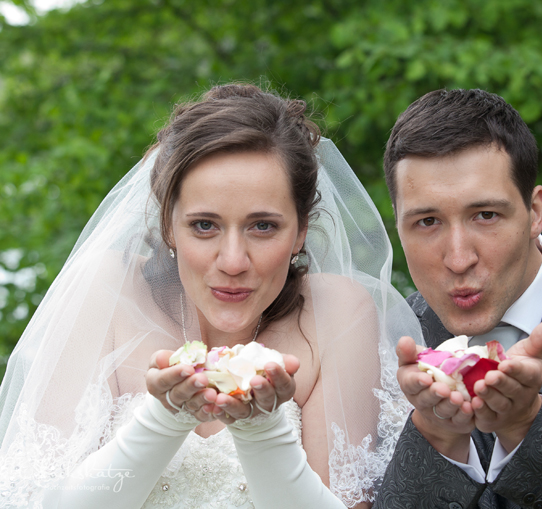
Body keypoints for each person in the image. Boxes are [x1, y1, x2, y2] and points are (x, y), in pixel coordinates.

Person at [0, 84, 422, 508]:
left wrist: (262, 431)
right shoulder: (108, 290)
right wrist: (165, 419)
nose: (234, 261)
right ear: (168, 224)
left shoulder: (339, 312)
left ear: (301, 230)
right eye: (204, 225)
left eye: (263, 227)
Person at [371, 89, 542, 508]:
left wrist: (525, 425)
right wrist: (437, 434)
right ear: (397, 226)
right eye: (427, 221)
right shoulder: (387, 336)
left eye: (485, 215)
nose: (459, 258)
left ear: (535, 212)